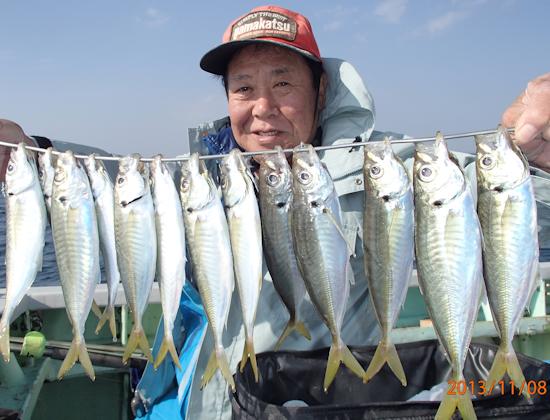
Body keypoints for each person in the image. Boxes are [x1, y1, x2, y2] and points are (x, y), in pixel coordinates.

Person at [0, 5, 549, 420]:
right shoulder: (206, 176)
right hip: (206, 400)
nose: (263, 108)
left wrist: (532, 153)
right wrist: (33, 146)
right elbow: (116, 183)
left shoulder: (388, 165)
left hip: (317, 402)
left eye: (283, 83)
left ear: (322, 89)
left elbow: (500, 197)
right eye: (244, 88)